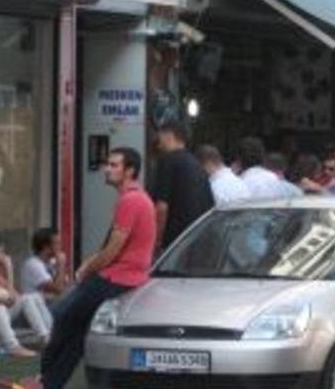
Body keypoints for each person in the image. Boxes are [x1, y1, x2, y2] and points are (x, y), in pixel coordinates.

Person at [40, 147, 156, 389]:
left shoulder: (131, 200)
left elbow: (113, 250)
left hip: (116, 278)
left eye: (114, 165)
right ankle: (50, 382)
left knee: (61, 314)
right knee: (78, 333)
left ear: (130, 171)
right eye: (108, 164)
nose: (107, 169)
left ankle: (45, 379)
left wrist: (86, 268)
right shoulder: (137, 199)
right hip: (126, 278)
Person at [151, 120, 214, 252]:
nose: (158, 141)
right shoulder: (196, 164)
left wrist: (156, 241)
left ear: (169, 135)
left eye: (160, 136)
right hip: (196, 238)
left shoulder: (167, 161)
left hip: (174, 242)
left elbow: (162, 207)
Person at [0, 238, 53, 342]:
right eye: (1, 252)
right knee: (27, 298)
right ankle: (45, 336)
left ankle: (51, 332)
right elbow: (10, 299)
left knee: (34, 296)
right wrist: (9, 268)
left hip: (2, 318)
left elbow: (15, 296)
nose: (4, 256)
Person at [20, 228, 68, 300]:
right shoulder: (33, 265)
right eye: (57, 244)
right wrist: (61, 265)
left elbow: (65, 289)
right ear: (46, 247)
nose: (60, 247)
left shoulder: (50, 264)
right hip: (42, 308)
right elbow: (58, 289)